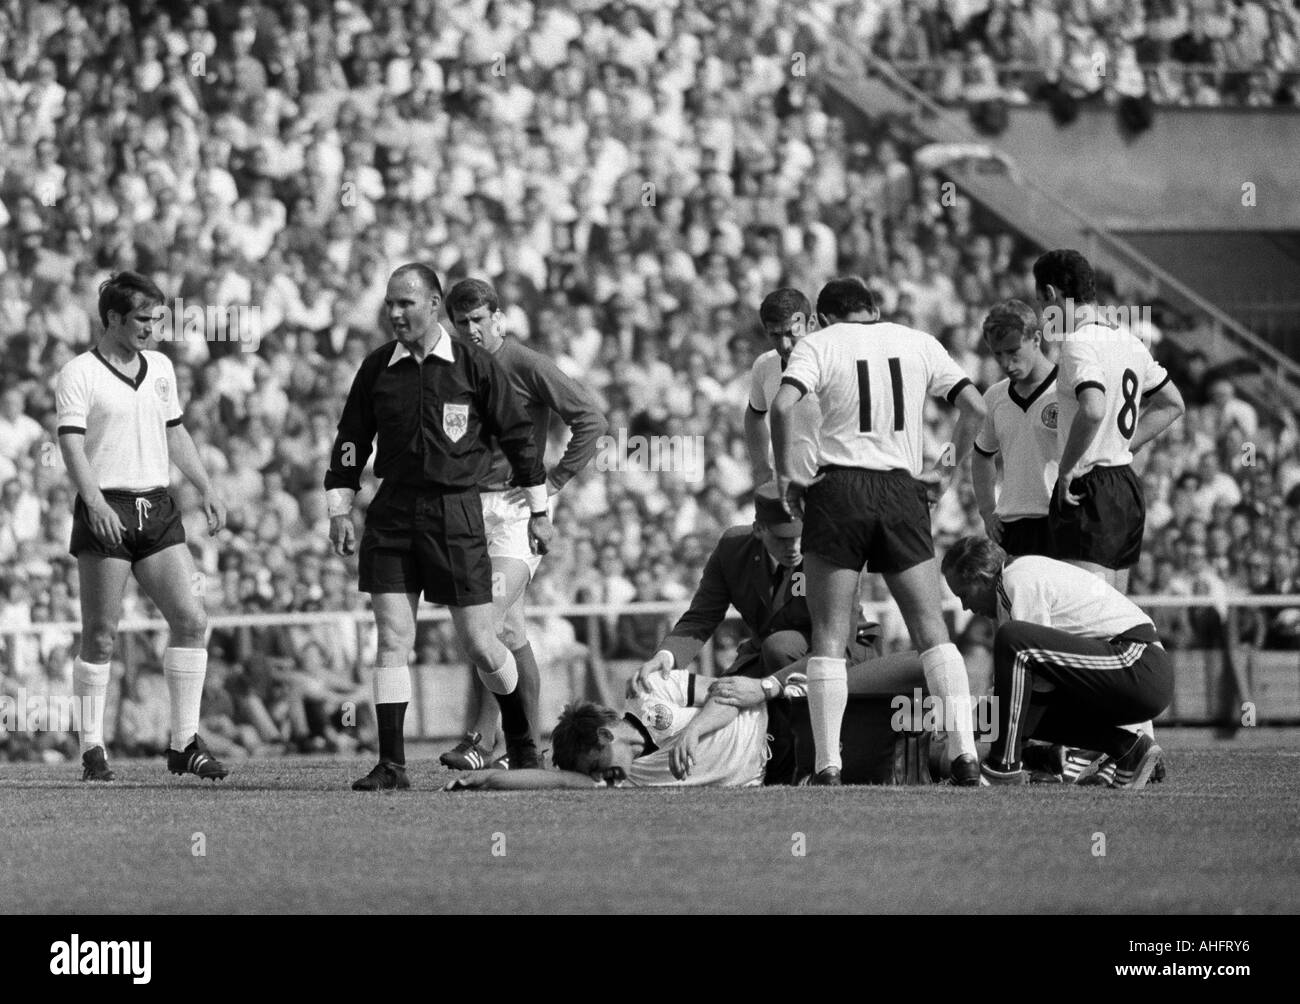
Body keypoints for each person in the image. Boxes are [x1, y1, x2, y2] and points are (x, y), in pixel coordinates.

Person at [325, 264, 551, 791]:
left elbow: (519, 436)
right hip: (393, 511)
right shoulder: (378, 366)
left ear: (432, 304)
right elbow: (351, 438)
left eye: (405, 303)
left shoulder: (473, 365)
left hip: (455, 513)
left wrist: (539, 510)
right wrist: (340, 505)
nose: (395, 314)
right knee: (392, 638)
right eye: (389, 304)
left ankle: (521, 744)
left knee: (479, 640)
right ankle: (391, 764)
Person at [770, 276, 987, 785]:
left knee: (828, 633)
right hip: (900, 490)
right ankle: (964, 755)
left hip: (838, 489)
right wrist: (948, 470)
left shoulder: (820, 344)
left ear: (823, 318)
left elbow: (782, 406)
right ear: (873, 308)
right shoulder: (918, 341)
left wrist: (786, 477)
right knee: (931, 629)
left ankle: (827, 766)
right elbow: (975, 406)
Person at [55, 270, 229, 782]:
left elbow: (174, 432)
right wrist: (94, 503)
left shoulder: (160, 368)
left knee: (192, 619)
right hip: (106, 502)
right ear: (113, 318)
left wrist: (206, 486)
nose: (153, 328)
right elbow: (70, 444)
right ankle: (91, 747)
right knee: (102, 635)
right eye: (143, 319)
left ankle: (184, 743)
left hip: (157, 505)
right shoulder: (79, 373)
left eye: (158, 318)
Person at [437, 277, 606, 771]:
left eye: (478, 320)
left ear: (498, 319)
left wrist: (553, 483)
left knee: (483, 621)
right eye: (461, 321)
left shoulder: (525, 363)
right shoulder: (452, 368)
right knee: (509, 632)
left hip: (516, 512)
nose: (470, 329)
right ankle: (525, 750)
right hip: (467, 509)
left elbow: (590, 418)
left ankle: (480, 738)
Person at [443, 650, 929, 791]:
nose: (603, 776)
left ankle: (974, 717)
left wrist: (692, 733)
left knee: (906, 671)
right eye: (594, 775)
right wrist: (485, 777)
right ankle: (962, 750)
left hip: (786, 716)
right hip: (786, 770)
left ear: (606, 734)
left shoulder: (656, 691)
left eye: (598, 763)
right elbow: (552, 781)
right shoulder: (622, 778)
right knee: (906, 762)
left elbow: (726, 693)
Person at [942, 536, 1172, 789]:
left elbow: (1031, 666)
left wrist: (985, 728)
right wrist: (978, 724)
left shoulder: (1018, 578)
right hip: (1133, 672)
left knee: (1014, 641)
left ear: (984, 577)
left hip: (1140, 663)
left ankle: (1003, 766)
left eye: (964, 594)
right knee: (1015, 700)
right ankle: (1128, 748)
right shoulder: (1017, 580)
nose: (965, 607)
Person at [628, 481, 879, 696]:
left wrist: (766, 687)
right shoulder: (733, 549)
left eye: (799, 535)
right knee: (717, 696)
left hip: (841, 653)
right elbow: (702, 616)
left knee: (779, 647)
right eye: (782, 538)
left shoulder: (831, 551)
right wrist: (667, 656)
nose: (793, 547)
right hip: (767, 653)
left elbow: (838, 642)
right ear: (759, 529)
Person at [1034, 249, 1185, 592]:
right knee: (1115, 616)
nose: (1044, 311)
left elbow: (1093, 409)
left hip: (1090, 484)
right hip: (1125, 484)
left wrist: (1067, 467)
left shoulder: (1078, 342)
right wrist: (1120, 442)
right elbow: (1172, 403)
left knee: (1085, 615)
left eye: (1042, 302)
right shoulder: (1129, 340)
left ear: (1051, 293)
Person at [971, 300, 1058, 557]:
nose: (1006, 363)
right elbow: (981, 454)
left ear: (1036, 339)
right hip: (1014, 525)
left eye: (1013, 351)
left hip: (1063, 518)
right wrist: (987, 510)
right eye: (998, 354)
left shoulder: (1068, 390)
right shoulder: (994, 396)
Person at [743, 287, 819, 487]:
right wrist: (760, 467)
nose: (785, 344)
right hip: (786, 489)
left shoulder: (831, 364)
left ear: (810, 324)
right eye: (775, 335)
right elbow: (754, 414)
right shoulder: (765, 365)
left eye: (791, 332)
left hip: (831, 489)